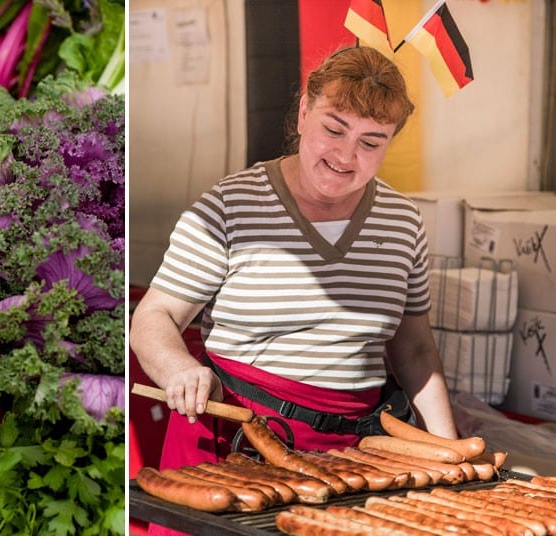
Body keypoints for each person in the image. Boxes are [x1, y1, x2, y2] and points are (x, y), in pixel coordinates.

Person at [130, 46, 459, 477]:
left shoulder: (403, 222)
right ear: (304, 113)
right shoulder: (230, 206)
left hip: (350, 455)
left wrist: (450, 453)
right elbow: (154, 316)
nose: (345, 156)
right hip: (230, 441)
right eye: (334, 130)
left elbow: (414, 348)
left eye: (370, 142)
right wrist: (180, 369)